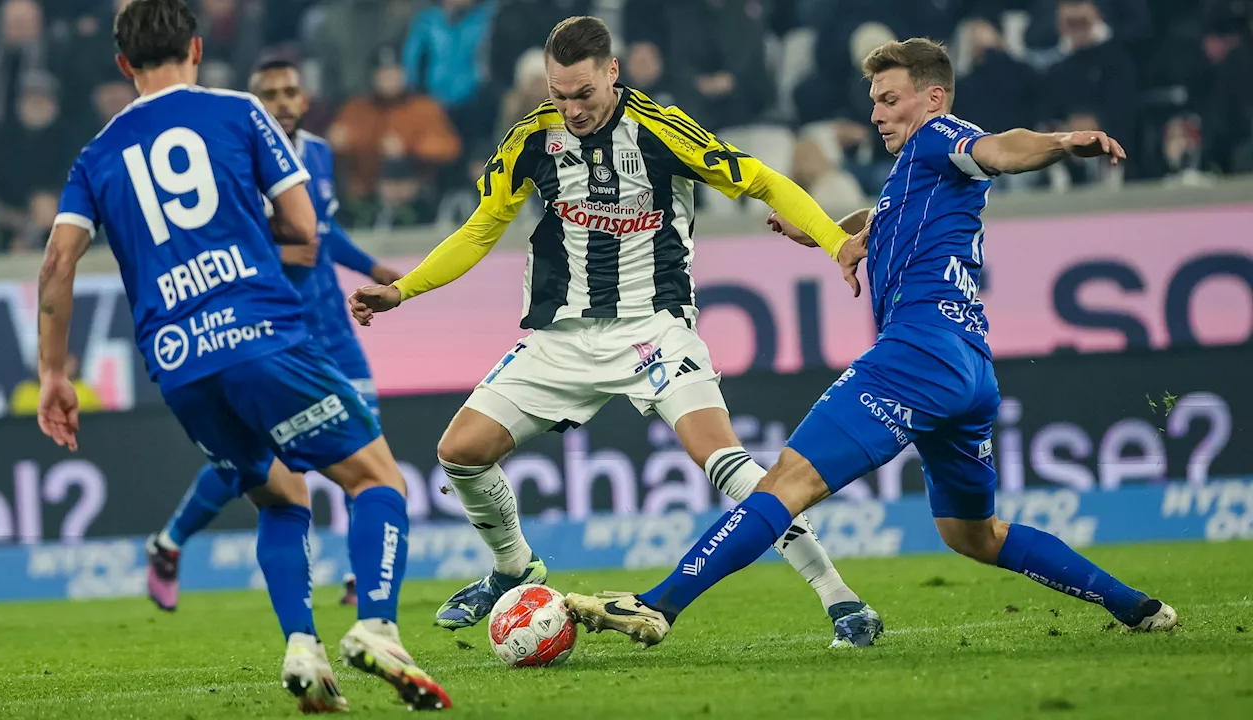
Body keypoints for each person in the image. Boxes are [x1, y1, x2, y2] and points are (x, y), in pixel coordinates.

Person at [563, 37, 1177, 646]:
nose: (877, 113)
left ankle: (658, 604)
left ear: (932, 98)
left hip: (918, 352)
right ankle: (1137, 606)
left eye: (889, 99)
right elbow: (885, 216)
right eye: (874, 101)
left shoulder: (940, 137)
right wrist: (832, 233)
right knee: (973, 534)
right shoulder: (920, 173)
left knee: (786, 482)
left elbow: (1002, 148)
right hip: (968, 368)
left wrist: (1062, 143)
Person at [349, 16, 883, 649]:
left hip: (653, 330)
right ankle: (514, 568)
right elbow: (478, 230)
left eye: (583, 94)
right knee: (459, 452)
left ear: (612, 73)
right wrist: (403, 289)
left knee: (725, 461)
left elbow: (762, 181)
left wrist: (834, 242)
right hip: (560, 338)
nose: (571, 109)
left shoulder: (661, 131)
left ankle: (841, 598)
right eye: (558, 95)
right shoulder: (530, 139)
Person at [35, 1, 448, 711]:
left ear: (123, 65)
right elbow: (303, 227)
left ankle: (302, 647)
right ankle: (377, 626)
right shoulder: (238, 111)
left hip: (181, 366)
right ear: (196, 48)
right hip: (262, 337)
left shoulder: (95, 155)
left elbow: (56, 264)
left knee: (280, 496)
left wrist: (52, 374)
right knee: (377, 480)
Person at [144, 58, 402, 613]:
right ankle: (169, 543)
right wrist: (282, 250)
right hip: (270, 334)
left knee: (367, 445)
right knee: (256, 466)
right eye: (271, 94)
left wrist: (372, 269)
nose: (283, 101)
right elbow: (224, 240)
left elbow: (323, 236)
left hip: (332, 327)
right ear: (255, 102)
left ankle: (365, 578)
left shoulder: (319, 154)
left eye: (291, 92)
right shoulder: (232, 157)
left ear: (305, 100)